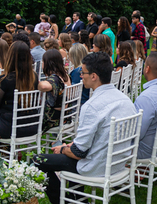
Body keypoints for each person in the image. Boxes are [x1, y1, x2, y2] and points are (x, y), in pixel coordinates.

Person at [33, 52, 137, 203]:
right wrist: (70, 146)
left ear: (94, 76)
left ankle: (65, 201)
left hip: (96, 166)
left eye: (83, 72)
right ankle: (78, 199)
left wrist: (62, 148)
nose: (81, 76)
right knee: (70, 153)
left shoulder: (91, 106)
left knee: (38, 160)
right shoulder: (126, 101)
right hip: (119, 163)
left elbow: (78, 153)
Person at [39, 49, 70, 131]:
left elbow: (44, 87)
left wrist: (32, 80)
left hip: (53, 119)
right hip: (65, 116)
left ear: (48, 63)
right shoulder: (65, 74)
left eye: (43, 61)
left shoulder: (55, 78)